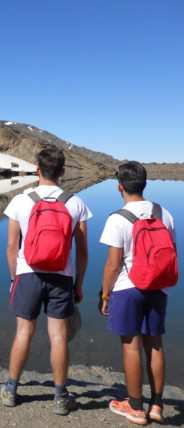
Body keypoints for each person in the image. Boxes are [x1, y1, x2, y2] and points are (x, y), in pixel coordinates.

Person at [0, 147, 91, 415]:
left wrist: (14, 278)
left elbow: (12, 247)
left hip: (28, 273)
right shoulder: (75, 203)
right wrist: (78, 284)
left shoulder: (20, 201)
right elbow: (82, 252)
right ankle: (61, 397)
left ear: (37, 171)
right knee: (59, 335)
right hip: (62, 277)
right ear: (62, 172)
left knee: (24, 332)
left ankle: (11, 390)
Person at [99, 161, 176, 425]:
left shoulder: (117, 218)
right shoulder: (163, 212)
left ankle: (134, 406)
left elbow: (113, 264)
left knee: (130, 345)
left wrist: (105, 295)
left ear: (119, 186)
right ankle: (157, 405)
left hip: (128, 287)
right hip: (158, 286)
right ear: (144, 184)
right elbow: (170, 252)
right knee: (154, 344)